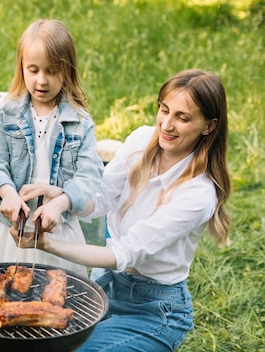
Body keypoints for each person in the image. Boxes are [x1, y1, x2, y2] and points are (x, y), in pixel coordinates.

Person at [15, 69, 231, 351]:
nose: (166, 125)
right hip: (105, 286)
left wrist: (47, 245)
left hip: (154, 309)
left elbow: (122, 254)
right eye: (164, 110)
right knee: (36, 339)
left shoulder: (199, 193)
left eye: (183, 117)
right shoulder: (142, 139)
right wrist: (61, 195)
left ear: (208, 126)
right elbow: (99, 199)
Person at [0, 19, 104, 276]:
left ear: (68, 70)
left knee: (53, 298)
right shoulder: (6, 113)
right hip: (7, 228)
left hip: (58, 227)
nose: (41, 80)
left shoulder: (80, 121)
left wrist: (61, 203)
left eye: (52, 71)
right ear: (21, 68)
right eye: (33, 70)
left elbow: (90, 174)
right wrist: (7, 193)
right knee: (2, 291)